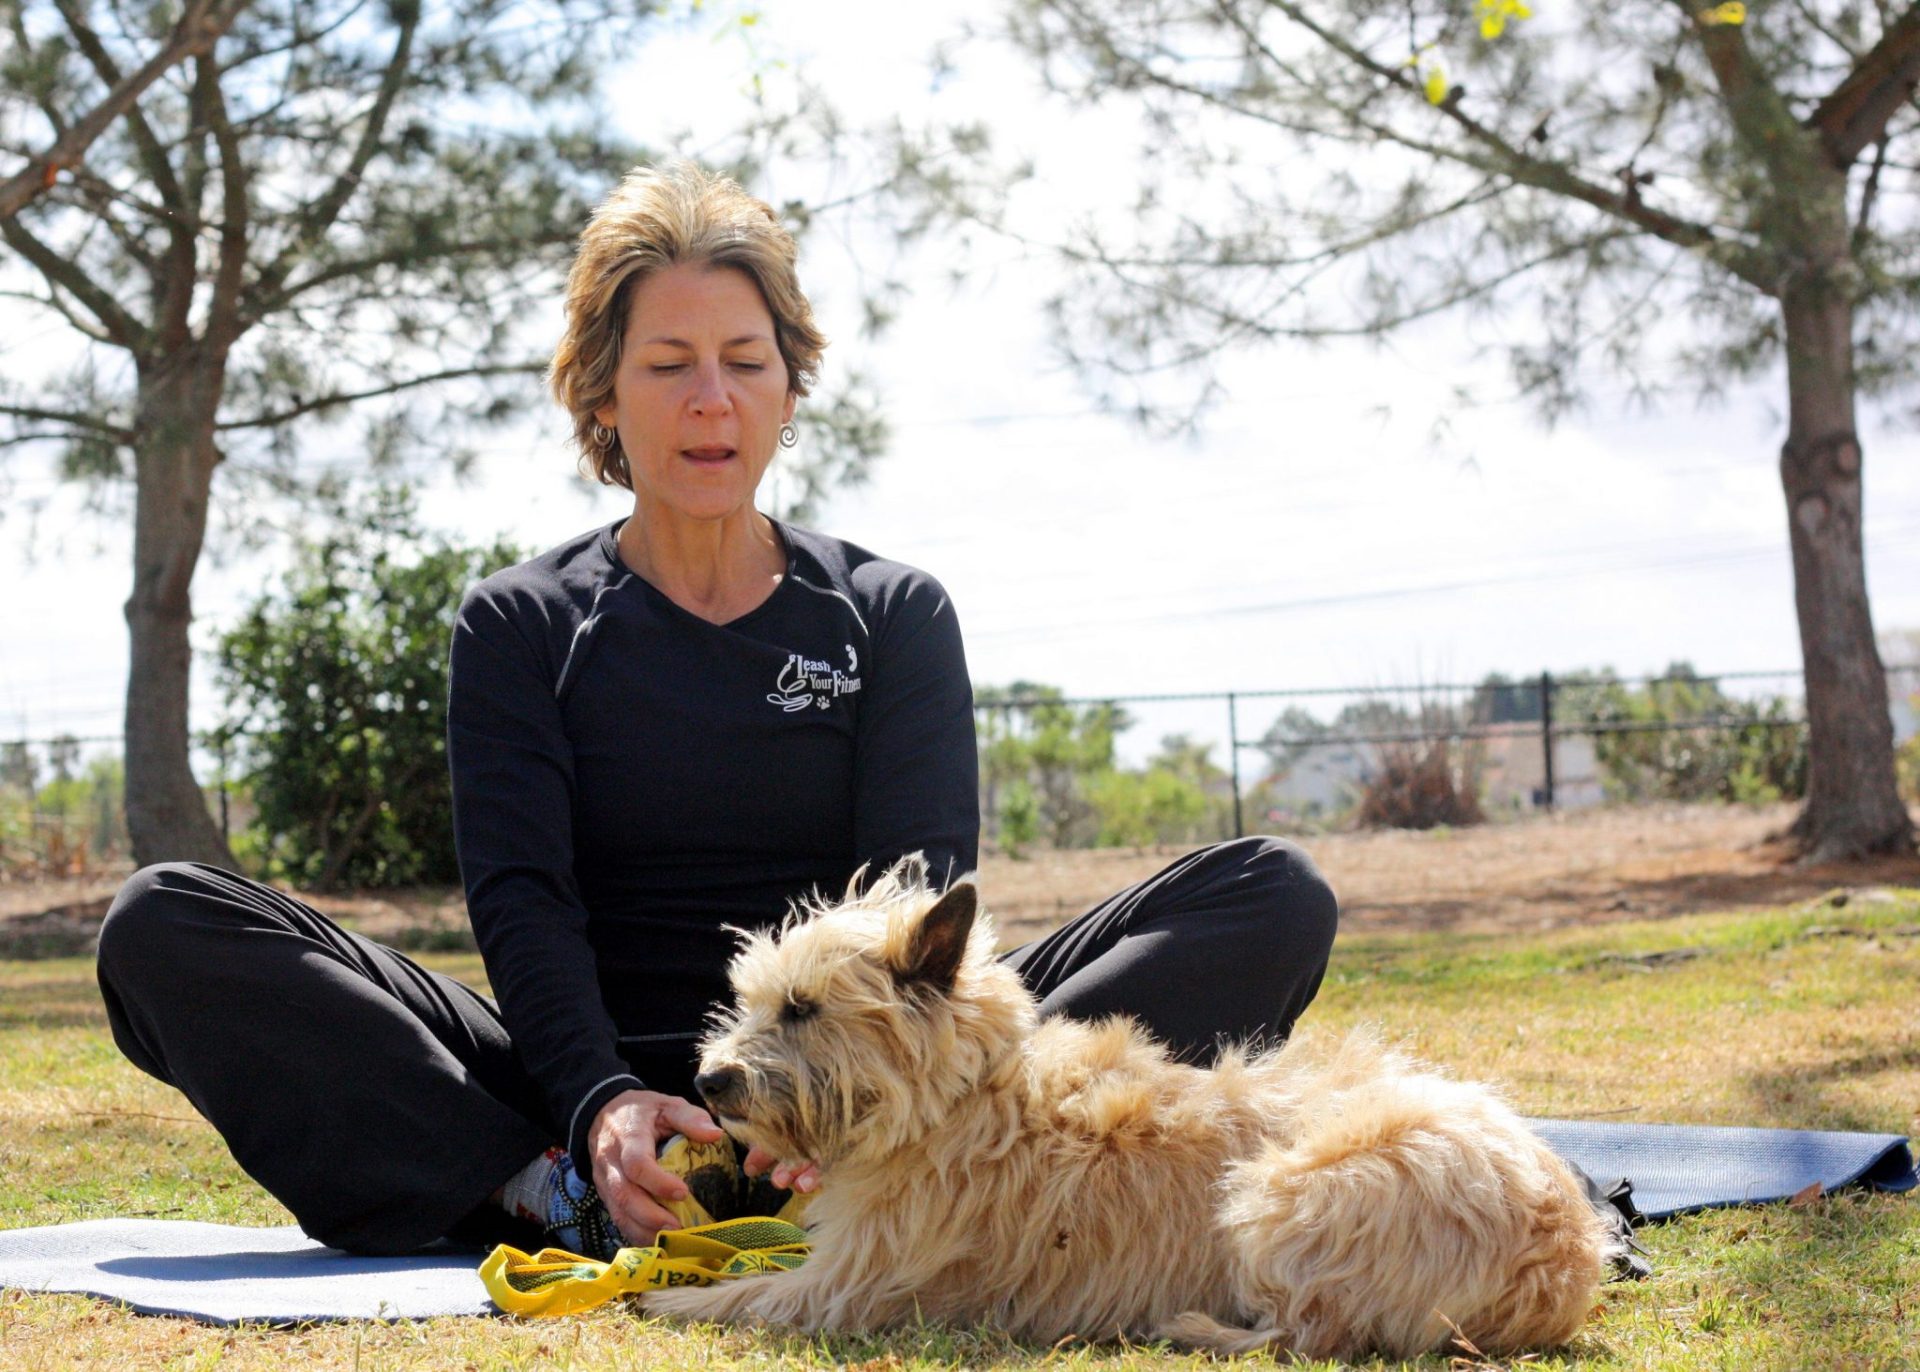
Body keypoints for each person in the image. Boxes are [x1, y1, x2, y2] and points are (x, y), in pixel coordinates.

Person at [95, 162, 1339, 1260]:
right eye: (668, 365)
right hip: (572, 1086)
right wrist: (596, 1099)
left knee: (1270, 893)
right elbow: (523, 907)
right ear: (602, 394)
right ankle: (551, 1192)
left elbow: (914, 918)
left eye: (747, 363)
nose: (712, 399)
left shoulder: (890, 612)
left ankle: (906, 1178)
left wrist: (846, 1101)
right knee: (165, 922)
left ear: (790, 388)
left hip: (868, 1086)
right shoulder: (520, 623)